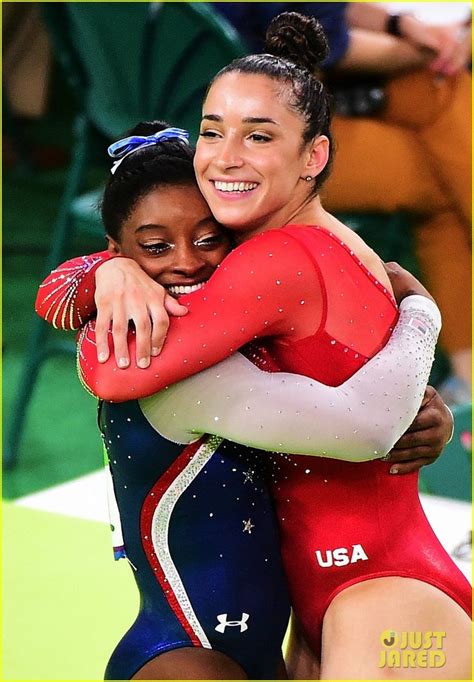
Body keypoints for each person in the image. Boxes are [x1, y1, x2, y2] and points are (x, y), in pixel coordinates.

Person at [39, 13, 470, 679]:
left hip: (381, 604)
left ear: (314, 156)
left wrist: (421, 320)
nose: (227, 155)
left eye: (259, 135)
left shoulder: (269, 262)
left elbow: (372, 425)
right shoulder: (254, 258)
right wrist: (106, 270)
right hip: (318, 610)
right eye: (214, 131)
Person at [213, 1, 472, 403]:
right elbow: (330, 45)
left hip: (189, 107)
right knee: (444, 179)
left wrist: (398, 23)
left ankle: (467, 374)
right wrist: (444, 45)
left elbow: (326, 13)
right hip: (266, 149)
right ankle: (467, 373)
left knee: (438, 96)